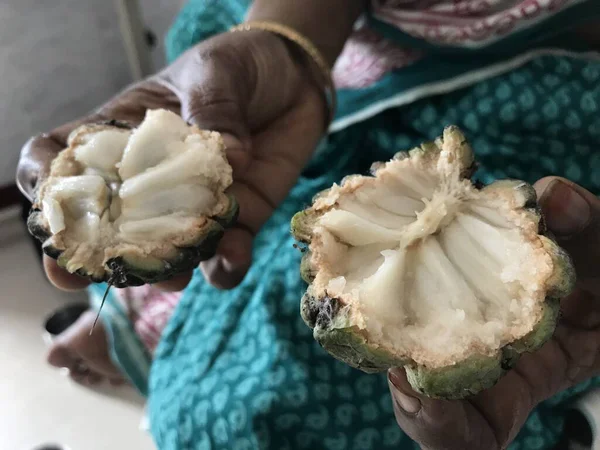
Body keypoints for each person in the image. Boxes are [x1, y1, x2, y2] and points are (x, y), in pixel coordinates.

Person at [16, 0, 600, 448]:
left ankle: (169, 314)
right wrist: (292, 42)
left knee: (243, 422)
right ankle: (158, 307)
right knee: (214, 56)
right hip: (362, 38)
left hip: (553, 84)